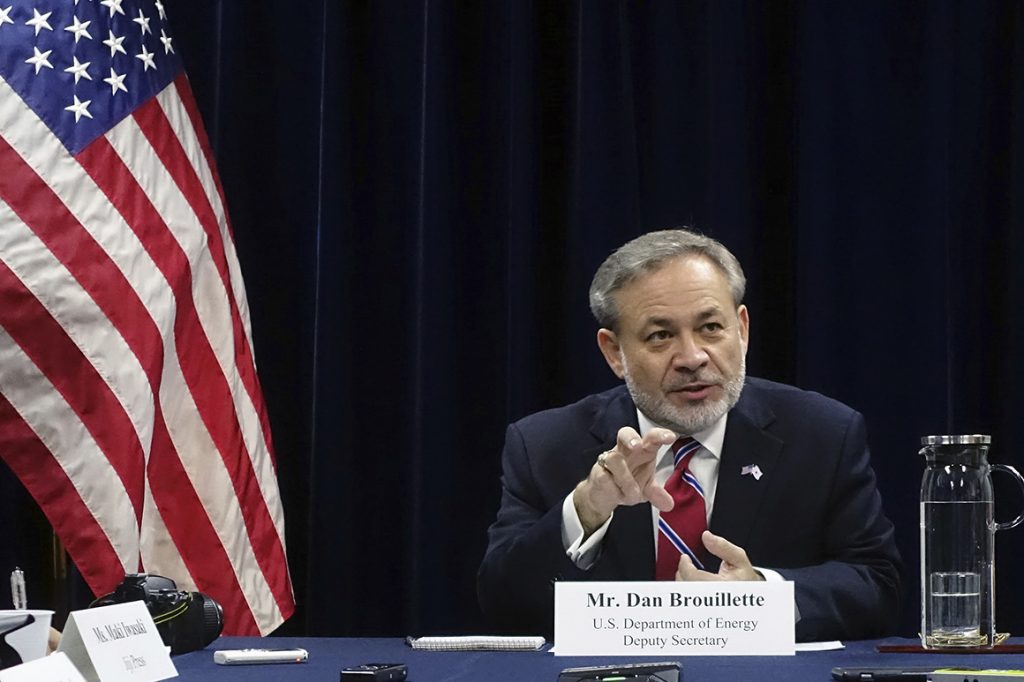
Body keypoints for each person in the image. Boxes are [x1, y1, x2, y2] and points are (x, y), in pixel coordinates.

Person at [477, 228, 901, 641]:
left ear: (743, 328)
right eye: (661, 336)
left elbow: (878, 585)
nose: (693, 357)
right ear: (614, 352)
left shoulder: (823, 434)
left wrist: (763, 597)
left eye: (710, 328)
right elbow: (503, 604)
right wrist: (585, 510)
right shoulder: (545, 445)